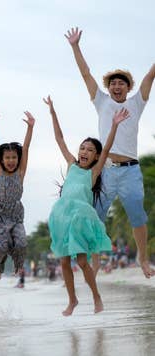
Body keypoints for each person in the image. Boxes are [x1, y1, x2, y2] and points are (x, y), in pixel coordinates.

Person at [65, 27, 155, 279]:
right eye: (113, 83)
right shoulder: (101, 101)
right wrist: (75, 46)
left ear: (128, 88)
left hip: (130, 170)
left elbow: (151, 75)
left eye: (121, 83)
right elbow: (85, 73)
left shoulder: (136, 103)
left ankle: (143, 259)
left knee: (138, 215)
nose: (117, 86)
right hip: (104, 170)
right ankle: (93, 264)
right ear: (108, 87)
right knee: (95, 217)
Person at [44, 95, 129, 316]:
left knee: (82, 261)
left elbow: (108, 146)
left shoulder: (93, 172)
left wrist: (114, 126)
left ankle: (96, 296)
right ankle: (72, 300)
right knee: (63, 261)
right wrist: (52, 112)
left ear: (96, 156)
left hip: (80, 219)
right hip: (62, 217)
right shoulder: (72, 165)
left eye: (90, 150)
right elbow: (59, 139)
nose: (84, 152)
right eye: (82, 148)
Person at [0, 108, 35, 280]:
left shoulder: (20, 173)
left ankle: (18, 266)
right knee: (2, 244)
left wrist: (30, 127)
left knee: (21, 242)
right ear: (1, 159)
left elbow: (27, 147)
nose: (10, 161)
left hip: (15, 213)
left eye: (14, 157)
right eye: (7, 158)